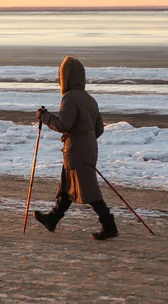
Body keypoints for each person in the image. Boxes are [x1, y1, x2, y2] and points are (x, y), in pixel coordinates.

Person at [34, 55, 118, 240]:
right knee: (67, 185)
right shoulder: (90, 99)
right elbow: (99, 129)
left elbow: (63, 125)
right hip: (87, 147)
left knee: (88, 189)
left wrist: (44, 117)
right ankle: (53, 218)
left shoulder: (69, 98)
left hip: (76, 150)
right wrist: (84, 138)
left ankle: (109, 224)